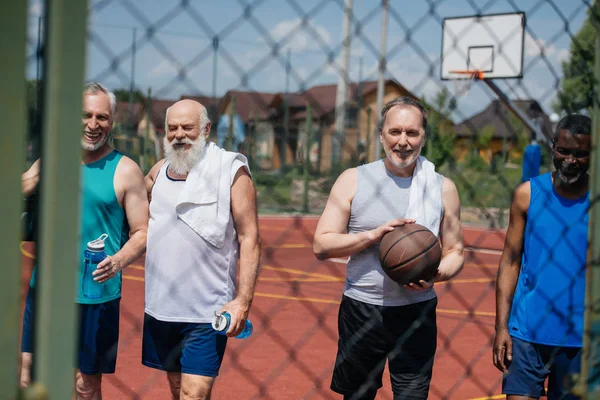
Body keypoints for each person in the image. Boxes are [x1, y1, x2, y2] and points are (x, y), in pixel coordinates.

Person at [313, 96, 464, 400]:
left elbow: (456, 251)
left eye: (412, 133)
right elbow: (321, 243)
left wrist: (436, 274)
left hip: (416, 310)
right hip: (361, 308)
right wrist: (374, 236)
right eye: (395, 132)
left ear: (423, 137)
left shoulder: (441, 187)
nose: (403, 142)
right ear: (381, 135)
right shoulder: (353, 180)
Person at [19, 82, 149, 399]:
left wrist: (118, 261)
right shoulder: (50, 161)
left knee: (85, 386)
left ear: (112, 121)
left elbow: (143, 232)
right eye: (85, 115)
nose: (93, 124)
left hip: (97, 296)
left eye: (102, 117)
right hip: (47, 290)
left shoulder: (126, 170)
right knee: (29, 375)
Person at [142, 99, 261, 399]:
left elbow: (250, 238)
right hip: (162, 307)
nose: (179, 134)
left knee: (193, 394)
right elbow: (128, 206)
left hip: (207, 310)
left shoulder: (231, 171)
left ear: (206, 129)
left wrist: (242, 302)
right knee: (177, 387)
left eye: (188, 127)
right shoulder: (157, 173)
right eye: (172, 128)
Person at [493, 114, 591, 400]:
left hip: (580, 338)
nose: (571, 160)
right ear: (552, 148)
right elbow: (510, 261)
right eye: (564, 151)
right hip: (526, 333)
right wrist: (501, 327)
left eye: (580, 154)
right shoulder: (527, 195)